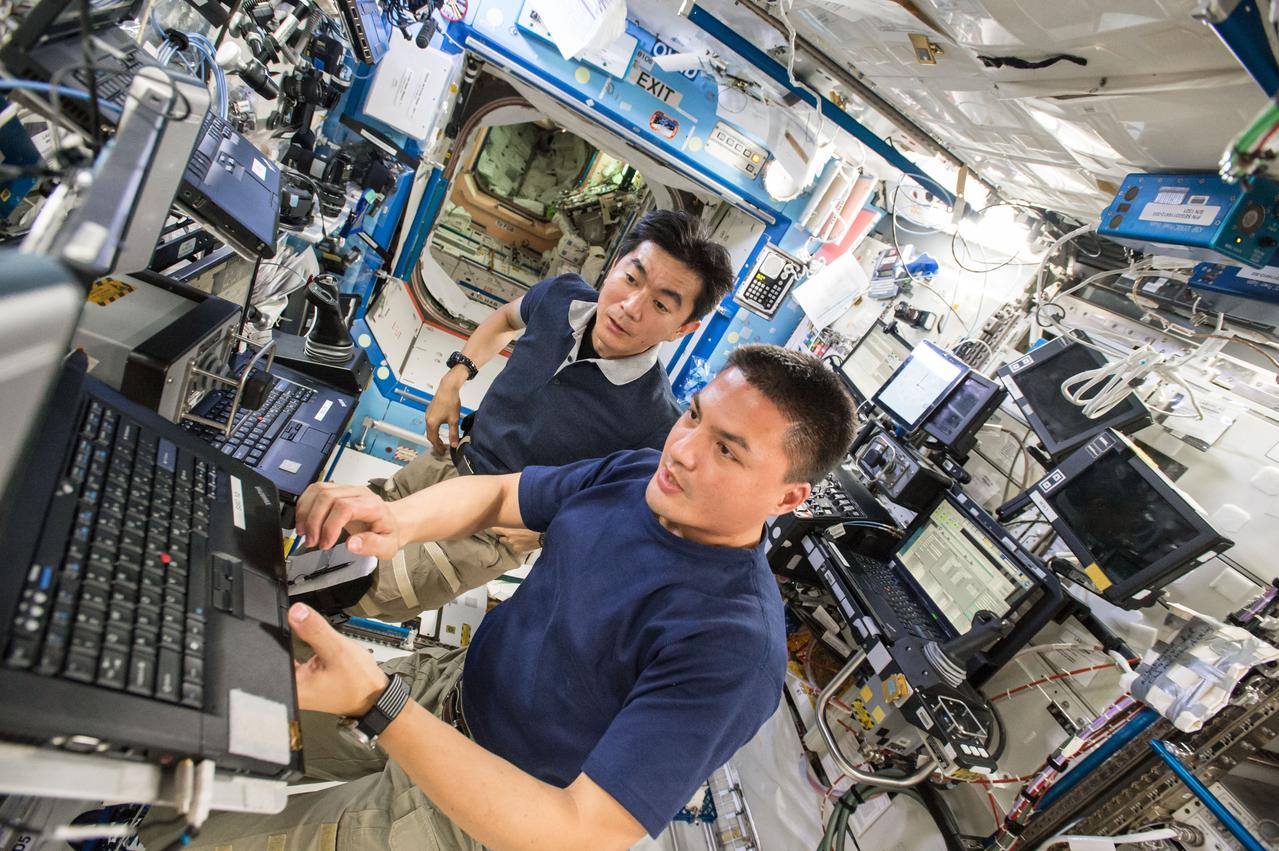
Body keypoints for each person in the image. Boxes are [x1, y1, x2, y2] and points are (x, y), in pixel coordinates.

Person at [141, 344, 856, 850]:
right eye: (693, 415)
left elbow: (577, 831)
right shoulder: (642, 473)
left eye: (727, 448)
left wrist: (374, 703)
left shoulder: (732, 645)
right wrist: (397, 519)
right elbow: (503, 492)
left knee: (209, 839)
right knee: (201, 741)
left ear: (789, 495)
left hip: (471, 819)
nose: (685, 449)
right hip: (437, 697)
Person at [345, 209, 734, 622]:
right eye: (632, 279)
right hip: (444, 464)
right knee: (338, 536)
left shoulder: (656, 423)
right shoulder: (560, 296)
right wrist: (455, 377)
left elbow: (625, 520)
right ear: (615, 265)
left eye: (660, 304)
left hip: (484, 533)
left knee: (350, 591)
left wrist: (546, 533)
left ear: (682, 329)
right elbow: (505, 320)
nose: (631, 307)